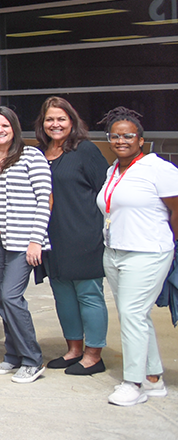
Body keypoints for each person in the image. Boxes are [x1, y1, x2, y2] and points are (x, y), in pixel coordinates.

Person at [96, 108, 178, 406]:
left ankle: (133, 383)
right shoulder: (113, 170)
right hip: (115, 252)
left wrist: (172, 242)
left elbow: (176, 209)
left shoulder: (158, 168)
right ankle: (153, 378)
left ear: (140, 140)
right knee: (136, 317)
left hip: (147, 252)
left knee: (132, 315)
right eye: (115, 136)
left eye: (128, 135)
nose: (121, 140)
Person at [0, 106, 52, 385]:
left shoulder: (30, 156)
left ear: (14, 128)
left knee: (11, 296)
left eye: (5, 125)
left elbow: (45, 199)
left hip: (21, 240)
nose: (0, 130)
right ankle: (14, 355)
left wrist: (36, 241)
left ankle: (32, 359)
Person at [36, 96, 109, 375]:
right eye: (50, 119)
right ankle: (74, 350)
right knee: (63, 295)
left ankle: (94, 355)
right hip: (52, 237)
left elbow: (104, 192)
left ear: (72, 121)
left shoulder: (85, 150)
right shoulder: (40, 153)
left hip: (83, 234)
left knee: (89, 294)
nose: (55, 124)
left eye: (61, 119)